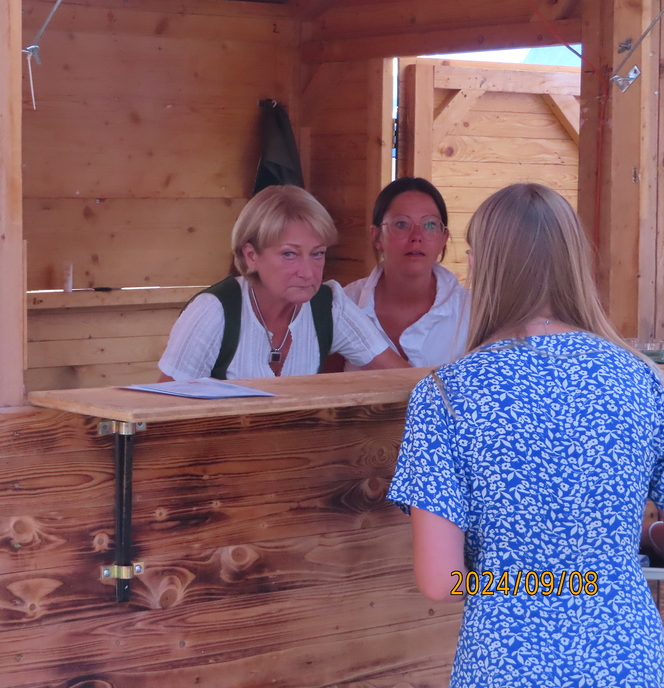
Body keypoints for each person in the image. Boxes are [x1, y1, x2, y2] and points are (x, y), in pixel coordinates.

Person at [388, 183, 664, 686]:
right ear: (575, 261)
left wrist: (533, 582)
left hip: (504, 664)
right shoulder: (642, 378)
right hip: (630, 657)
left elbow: (439, 580)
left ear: (482, 266)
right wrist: (613, 549)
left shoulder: (445, 395)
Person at [158, 184, 408, 380]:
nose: (308, 272)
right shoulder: (213, 312)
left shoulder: (330, 307)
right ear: (251, 255)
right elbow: (163, 410)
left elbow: (406, 379)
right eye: (289, 254)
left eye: (317, 254)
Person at [343, 177, 469, 369]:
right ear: (377, 236)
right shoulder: (345, 305)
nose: (416, 237)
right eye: (401, 224)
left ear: (443, 239)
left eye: (430, 225)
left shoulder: (473, 312)